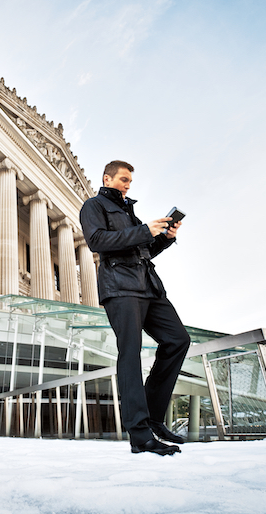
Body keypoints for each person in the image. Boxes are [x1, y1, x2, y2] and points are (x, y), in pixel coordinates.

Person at [79, 160, 190, 455]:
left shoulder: (129, 211)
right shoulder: (93, 205)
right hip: (119, 286)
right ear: (107, 178)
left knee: (178, 340)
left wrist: (164, 239)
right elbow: (97, 241)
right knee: (130, 352)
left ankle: (152, 419)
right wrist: (143, 230)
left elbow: (142, 249)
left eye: (130, 181)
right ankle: (140, 435)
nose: (128, 185)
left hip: (148, 286)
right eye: (124, 179)